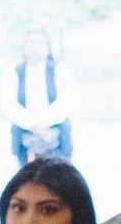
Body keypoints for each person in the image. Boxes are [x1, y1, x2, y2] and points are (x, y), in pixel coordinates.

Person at [7, 28, 72, 164]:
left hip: (56, 137)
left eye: (39, 43)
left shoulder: (59, 70)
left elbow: (65, 101)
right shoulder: (14, 72)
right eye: (31, 42)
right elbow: (9, 104)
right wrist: (32, 124)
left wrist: (44, 124)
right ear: (24, 47)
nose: (35, 47)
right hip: (25, 138)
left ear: (47, 48)